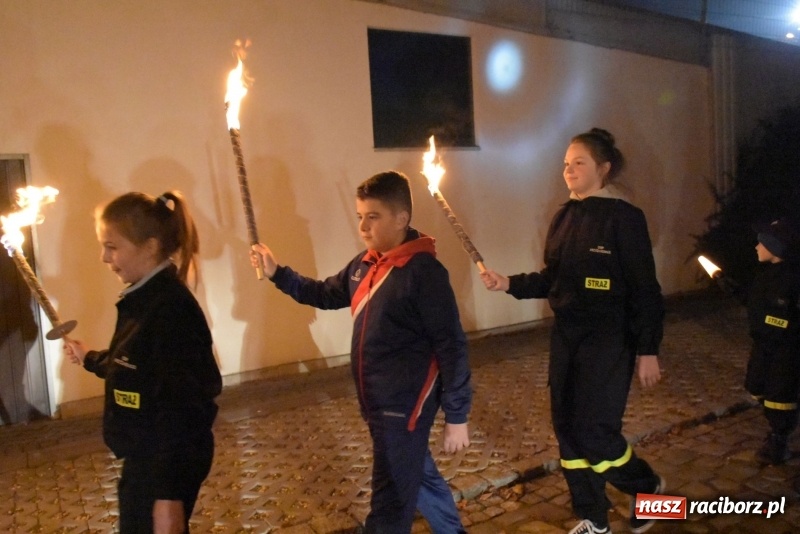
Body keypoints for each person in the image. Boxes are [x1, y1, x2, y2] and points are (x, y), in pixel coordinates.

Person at [250, 170, 472, 533]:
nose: (364, 227)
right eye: (359, 217)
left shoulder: (423, 273)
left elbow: (452, 345)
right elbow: (322, 293)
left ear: (401, 219)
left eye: (374, 216)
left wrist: (457, 415)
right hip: (376, 399)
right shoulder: (364, 265)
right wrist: (278, 272)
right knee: (417, 475)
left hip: (404, 404)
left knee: (390, 502)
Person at [480, 128, 664, 534]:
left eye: (578, 162)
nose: (569, 170)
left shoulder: (625, 218)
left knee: (595, 431)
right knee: (566, 428)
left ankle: (649, 488)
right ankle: (593, 517)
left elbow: (645, 289)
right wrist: (507, 282)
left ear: (604, 167)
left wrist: (648, 349)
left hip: (609, 339)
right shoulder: (564, 216)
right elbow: (553, 280)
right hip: (567, 338)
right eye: (565, 164)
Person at [63, 191, 222, 534]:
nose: (104, 257)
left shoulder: (169, 310)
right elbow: (134, 365)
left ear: (150, 247)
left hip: (163, 463)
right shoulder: (143, 298)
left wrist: (168, 497)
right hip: (144, 457)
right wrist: (89, 357)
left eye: (112, 246)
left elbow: (184, 406)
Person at [740, 217, 800, 464]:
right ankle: (776, 426)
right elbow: (755, 303)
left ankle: (779, 440)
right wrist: (731, 287)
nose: (756, 247)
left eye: (762, 243)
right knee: (756, 385)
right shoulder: (766, 275)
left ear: (775, 248)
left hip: (785, 350)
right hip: (763, 345)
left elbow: (788, 320)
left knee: (780, 396)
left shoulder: (793, 278)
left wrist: (777, 323)